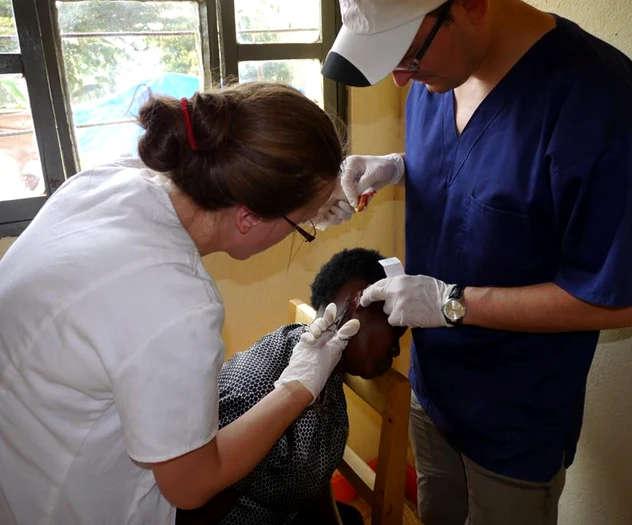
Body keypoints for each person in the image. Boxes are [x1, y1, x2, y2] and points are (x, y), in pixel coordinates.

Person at [320, 1, 632, 524]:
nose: (398, 79)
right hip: (433, 392)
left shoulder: (599, 102)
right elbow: (496, 177)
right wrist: (399, 169)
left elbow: (618, 299)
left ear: (471, 5)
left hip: (515, 422)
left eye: (407, 56)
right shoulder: (438, 74)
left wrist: (451, 303)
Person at [0, 82, 361, 525]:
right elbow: (191, 486)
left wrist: (316, 191)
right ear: (248, 216)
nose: (300, 232)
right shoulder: (179, 305)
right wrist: (298, 387)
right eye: (302, 225)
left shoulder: (106, 180)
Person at [176, 247, 406, 525]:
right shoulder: (258, 390)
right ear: (361, 301)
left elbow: (311, 472)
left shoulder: (326, 368)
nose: (396, 348)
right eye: (395, 326)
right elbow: (195, 513)